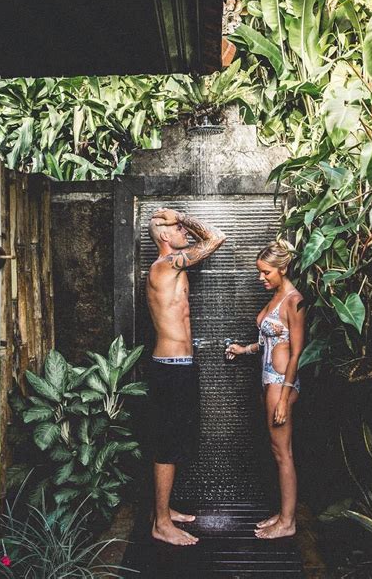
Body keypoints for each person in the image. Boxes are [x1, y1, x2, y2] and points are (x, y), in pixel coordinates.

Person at [146, 207, 226, 546]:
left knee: (176, 439)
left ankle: (163, 511)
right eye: (179, 229)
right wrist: (178, 214)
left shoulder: (173, 266)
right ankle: (161, 524)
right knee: (167, 443)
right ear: (165, 236)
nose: (186, 233)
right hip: (170, 368)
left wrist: (178, 219)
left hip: (179, 366)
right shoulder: (165, 266)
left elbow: (204, 239)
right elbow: (215, 238)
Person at [226, 240, 304, 539]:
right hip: (268, 378)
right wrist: (244, 349)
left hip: (280, 381)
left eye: (266, 272)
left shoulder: (295, 300)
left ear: (283, 269)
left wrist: (284, 398)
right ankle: (283, 515)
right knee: (276, 450)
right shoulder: (276, 297)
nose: (261, 278)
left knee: (282, 453)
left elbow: (296, 351)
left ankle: (288, 523)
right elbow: (270, 341)